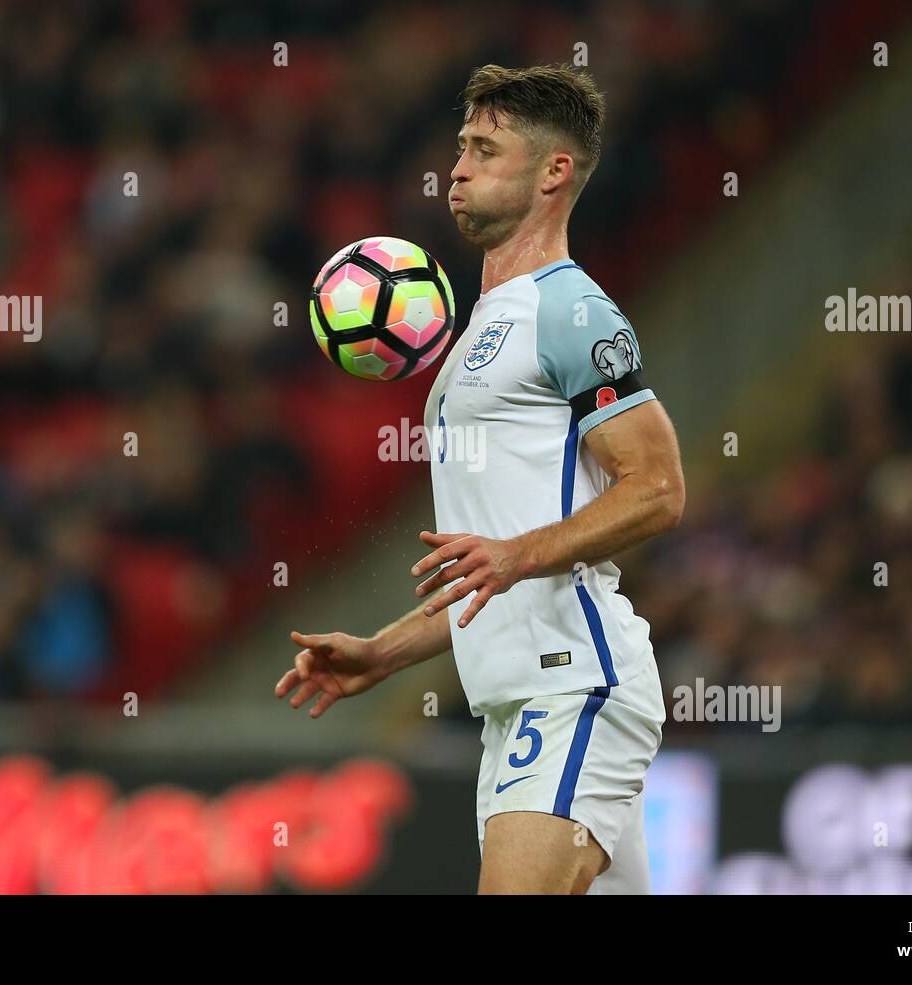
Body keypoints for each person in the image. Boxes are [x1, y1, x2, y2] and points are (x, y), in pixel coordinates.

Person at [275, 63, 685, 894]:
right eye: (461, 146)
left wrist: (519, 555)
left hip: (574, 684)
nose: (456, 168)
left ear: (553, 172)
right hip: (513, 706)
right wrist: (382, 653)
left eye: (483, 149)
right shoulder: (470, 336)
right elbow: (486, 563)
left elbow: (658, 487)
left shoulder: (571, 311)